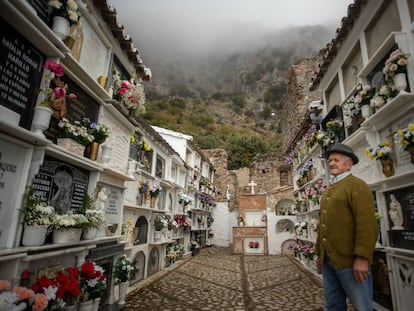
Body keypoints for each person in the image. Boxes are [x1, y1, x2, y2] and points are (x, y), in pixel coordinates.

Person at [315, 143, 378, 311]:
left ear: (349, 164)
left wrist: (362, 258)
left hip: (351, 262)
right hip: (329, 261)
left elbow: (367, 224)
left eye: (336, 160)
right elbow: (323, 225)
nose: (331, 163)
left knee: (362, 307)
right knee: (332, 305)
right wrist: (319, 253)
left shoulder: (357, 186)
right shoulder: (329, 190)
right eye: (329, 160)